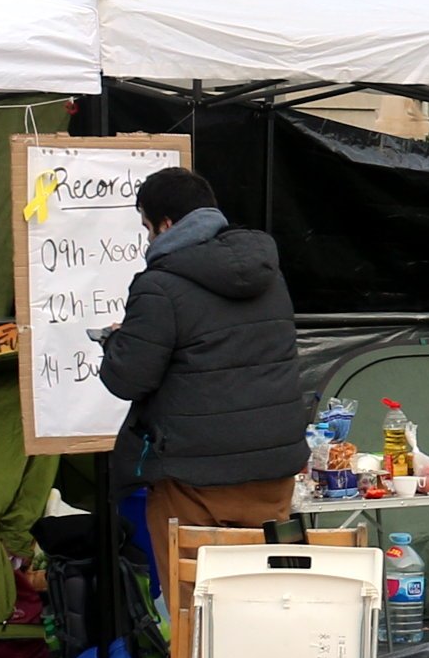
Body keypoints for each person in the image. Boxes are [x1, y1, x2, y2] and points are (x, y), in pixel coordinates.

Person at [93, 164, 306, 545]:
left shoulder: (159, 285)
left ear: (167, 224)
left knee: (196, 598)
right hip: (273, 469)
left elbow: (128, 379)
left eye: (146, 227)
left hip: (195, 476)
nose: (146, 238)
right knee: (267, 593)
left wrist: (114, 344)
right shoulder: (271, 275)